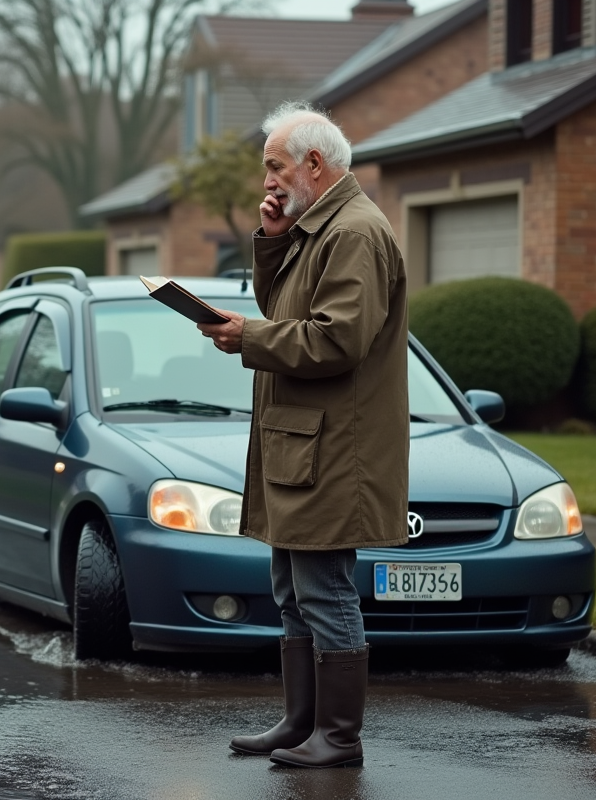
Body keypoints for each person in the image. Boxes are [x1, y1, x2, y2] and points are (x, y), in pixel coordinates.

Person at [197, 101, 409, 769]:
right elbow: (282, 309)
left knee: (324, 588)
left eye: (274, 167)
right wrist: (274, 237)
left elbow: (336, 339)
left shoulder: (353, 233)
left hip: (333, 448)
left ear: (314, 164)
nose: (267, 181)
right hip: (303, 442)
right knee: (292, 588)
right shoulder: (320, 227)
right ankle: (300, 723)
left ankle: (338, 737)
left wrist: (247, 338)